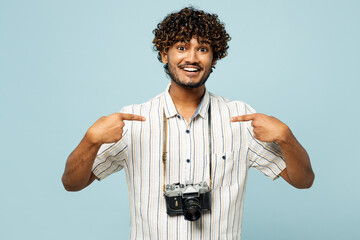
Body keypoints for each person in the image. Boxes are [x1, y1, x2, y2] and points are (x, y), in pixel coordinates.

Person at [62, 7, 314, 239]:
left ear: (214, 58)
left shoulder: (240, 117)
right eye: (181, 48)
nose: (192, 58)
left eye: (203, 49)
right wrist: (90, 140)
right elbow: (72, 184)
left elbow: (303, 181)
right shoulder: (133, 120)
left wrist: (286, 137)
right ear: (164, 54)